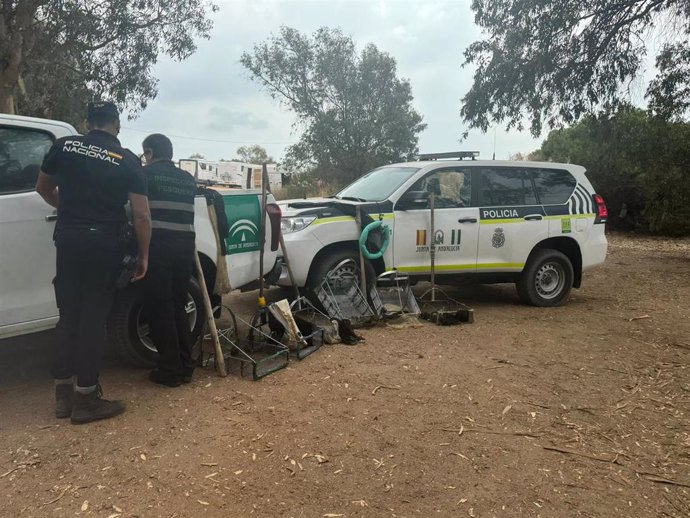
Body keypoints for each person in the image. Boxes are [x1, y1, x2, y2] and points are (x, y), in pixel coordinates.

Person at [36, 101, 151, 424]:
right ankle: (86, 398)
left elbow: (43, 188)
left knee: (68, 317)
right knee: (93, 320)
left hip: (69, 240)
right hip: (103, 245)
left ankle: (62, 396)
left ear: (88, 121)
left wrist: (68, 210)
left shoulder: (64, 146)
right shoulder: (126, 160)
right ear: (116, 123)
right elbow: (141, 215)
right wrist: (143, 255)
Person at [141, 133, 198, 387]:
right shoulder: (187, 178)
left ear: (150, 153)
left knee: (160, 308)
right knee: (177, 306)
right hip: (185, 247)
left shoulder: (145, 175)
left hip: (159, 248)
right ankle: (186, 366)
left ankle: (169, 370)